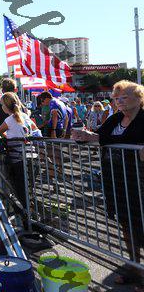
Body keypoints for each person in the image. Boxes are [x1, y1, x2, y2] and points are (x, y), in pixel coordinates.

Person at [72, 81, 144, 289]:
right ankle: (134, 268)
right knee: (126, 224)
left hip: (139, 181)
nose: (119, 101)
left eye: (124, 97)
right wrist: (85, 136)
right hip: (117, 181)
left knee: (140, 224)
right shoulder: (115, 118)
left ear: (139, 98)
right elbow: (100, 137)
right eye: (116, 98)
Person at [0, 92, 39, 211]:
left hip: (18, 159)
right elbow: (35, 129)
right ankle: (32, 211)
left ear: (6, 106)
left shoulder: (9, 120)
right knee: (30, 187)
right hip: (32, 156)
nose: (1, 107)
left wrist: (8, 137)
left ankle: (27, 214)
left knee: (20, 189)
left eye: (2, 104)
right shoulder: (25, 116)